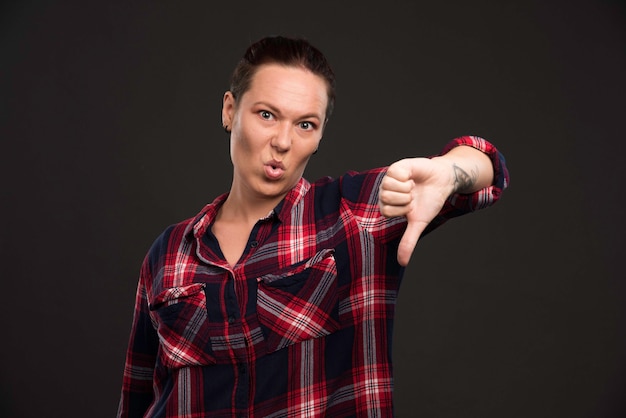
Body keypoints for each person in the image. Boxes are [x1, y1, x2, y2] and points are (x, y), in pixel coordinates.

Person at [116, 35, 509, 417]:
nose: (283, 141)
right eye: (266, 115)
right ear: (229, 111)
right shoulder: (169, 254)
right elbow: (139, 397)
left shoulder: (353, 214)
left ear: (319, 135)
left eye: (305, 124)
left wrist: (447, 171)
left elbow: (487, 165)